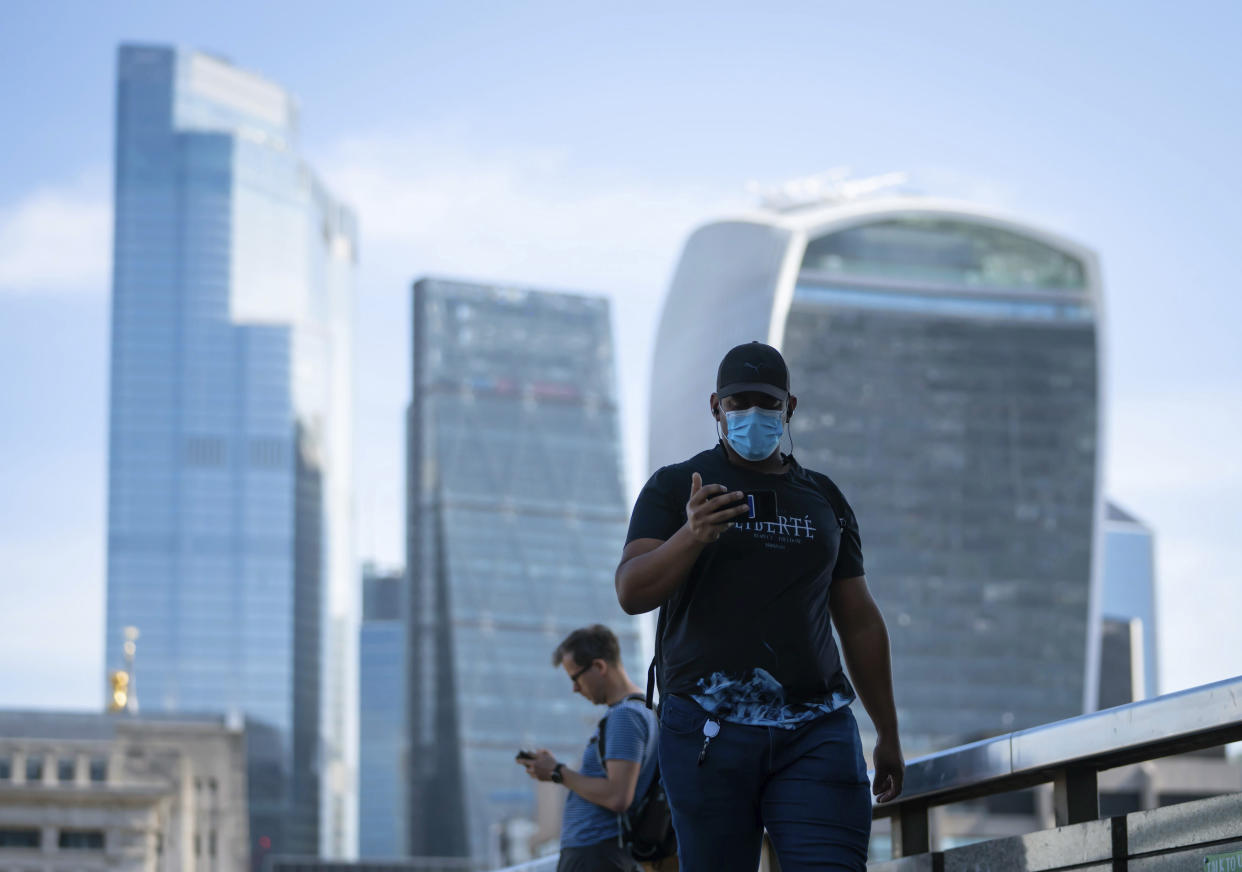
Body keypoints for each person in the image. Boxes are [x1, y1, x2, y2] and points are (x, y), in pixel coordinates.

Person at [614, 341, 904, 872]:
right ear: (716, 407)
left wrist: (887, 731)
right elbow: (632, 590)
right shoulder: (676, 486)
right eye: (737, 403)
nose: (751, 415)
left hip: (818, 728)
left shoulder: (825, 499)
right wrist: (692, 534)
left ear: (789, 408)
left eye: (766, 404)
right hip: (707, 730)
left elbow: (858, 620)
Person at [521, 624, 660, 872]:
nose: (574, 688)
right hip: (600, 853)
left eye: (575, 677)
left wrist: (557, 772)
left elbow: (618, 796)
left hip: (597, 854)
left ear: (599, 667)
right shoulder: (642, 710)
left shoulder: (625, 716)